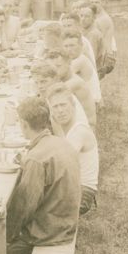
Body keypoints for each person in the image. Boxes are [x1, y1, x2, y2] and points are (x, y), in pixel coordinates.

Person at [3, 97, 82, 254]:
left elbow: (24, 207)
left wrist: (5, 234)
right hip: (64, 220)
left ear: (24, 125)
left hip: (48, 230)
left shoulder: (37, 157)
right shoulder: (60, 143)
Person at [48, 86, 99, 215]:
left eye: (63, 105)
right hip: (72, 186)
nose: (60, 111)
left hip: (83, 192)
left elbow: (61, 163)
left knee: (37, 208)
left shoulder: (79, 131)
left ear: (73, 105)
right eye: (55, 107)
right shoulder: (66, 129)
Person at [30, 61, 90, 129]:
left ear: (55, 80)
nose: (39, 86)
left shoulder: (59, 97)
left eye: (43, 81)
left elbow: (60, 132)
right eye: (36, 83)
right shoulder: (52, 94)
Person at [46, 50, 95, 127]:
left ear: (69, 63)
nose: (54, 70)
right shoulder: (64, 78)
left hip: (85, 127)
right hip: (72, 122)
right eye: (51, 68)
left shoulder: (74, 83)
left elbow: (47, 98)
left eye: (58, 66)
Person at [62, 30, 100, 116]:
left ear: (81, 46)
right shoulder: (76, 58)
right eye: (66, 46)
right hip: (82, 100)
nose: (69, 49)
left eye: (72, 45)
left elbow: (59, 77)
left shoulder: (80, 61)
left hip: (88, 105)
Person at [88, 0, 117, 79]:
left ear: (103, 2)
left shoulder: (103, 19)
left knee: (92, 81)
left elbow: (97, 43)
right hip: (99, 52)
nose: (94, 5)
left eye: (97, 2)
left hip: (105, 56)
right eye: (92, 2)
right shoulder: (94, 15)